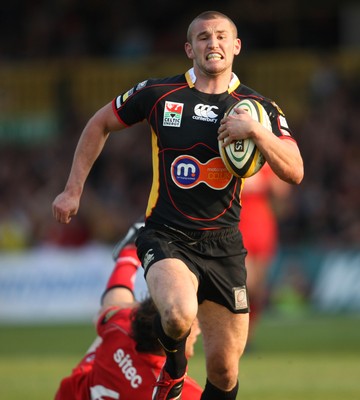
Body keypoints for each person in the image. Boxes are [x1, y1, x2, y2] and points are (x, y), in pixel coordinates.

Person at [52, 10, 304, 400]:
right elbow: (99, 123)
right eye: (203, 37)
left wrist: (256, 132)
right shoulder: (158, 94)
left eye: (222, 36)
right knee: (177, 313)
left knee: (223, 369)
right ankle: (172, 373)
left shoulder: (260, 109)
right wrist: (73, 190)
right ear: (190, 49)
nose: (213, 43)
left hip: (224, 245)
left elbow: (295, 170)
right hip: (167, 235)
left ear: (236, 46)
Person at [55, 221, 202, 400]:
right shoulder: (183, 393)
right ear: (166, 338)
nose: (198, 329)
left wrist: (129, 254)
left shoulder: (120, 329)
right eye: (190, 323)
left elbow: (114, 301)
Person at [239, 163, 291, 345]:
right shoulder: (230, 156)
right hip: (238, 225)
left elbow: (282, 192)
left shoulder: (265, 161)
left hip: (263, 226)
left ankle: (248, 337)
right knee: (246, 283)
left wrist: (274, 185)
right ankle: (237, 332)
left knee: (258, 290)